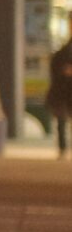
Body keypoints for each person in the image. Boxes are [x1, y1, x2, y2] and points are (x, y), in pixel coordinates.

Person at [48, 27, 72, 159]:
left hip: (64, 91)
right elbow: (55, 70)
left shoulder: (62, 52)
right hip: (63, 91)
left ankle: (62, 149)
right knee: (61, 120)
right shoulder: (62, 53)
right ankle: (62, 148)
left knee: (62, 120)